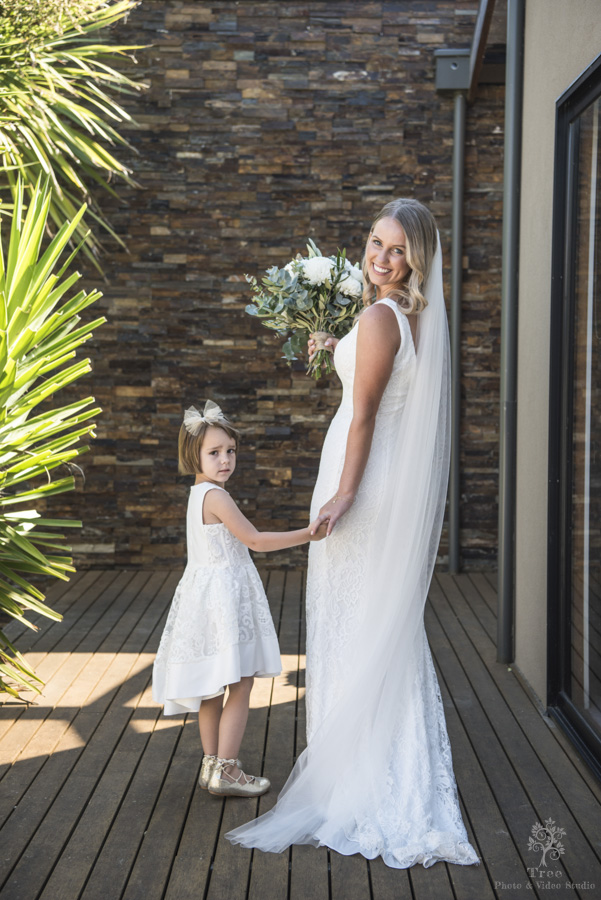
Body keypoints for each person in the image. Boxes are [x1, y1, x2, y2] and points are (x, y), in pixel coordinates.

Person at [227, 199, 481, 867]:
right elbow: (385, 377)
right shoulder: (412, 316)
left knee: (350, 624)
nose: (380, 257)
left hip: (363, 486)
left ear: (415, 259)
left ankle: (358, 783)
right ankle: (384, 767)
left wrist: (343, 493)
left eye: (397, 250)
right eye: (375, 242)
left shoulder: (377, 314)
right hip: (387, 480)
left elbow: (363, 414)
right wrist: (336, 347)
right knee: (379, 624)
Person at [152, 400, 326, 798]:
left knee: (214, 686)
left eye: (230, 451)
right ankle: (227, 771)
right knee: (241, 682)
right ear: (193, 454)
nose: (225, 459)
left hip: (205, 597)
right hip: (225, 599)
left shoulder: (198, 494)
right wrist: (308, 534)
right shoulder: (217, 497)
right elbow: (255, 541)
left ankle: (213, 765)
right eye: (214, 453)